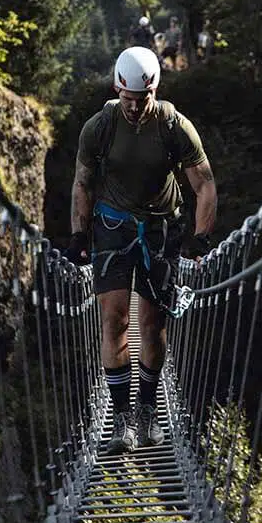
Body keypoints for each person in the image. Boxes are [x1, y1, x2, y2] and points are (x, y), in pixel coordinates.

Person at [65, 47, 218, 454]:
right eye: (127, 99)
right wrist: (80, 234)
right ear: (118, 89)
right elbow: (82, 182)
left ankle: (148, 407)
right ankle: (121, 418)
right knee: (114, 320)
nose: (133, 108)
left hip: (159, 230)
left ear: (153, 90)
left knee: (152, 325)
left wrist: (199, 238)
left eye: (141, 99)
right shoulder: (99, 127)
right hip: (112, 228)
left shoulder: (174, 126)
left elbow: (204, 185)